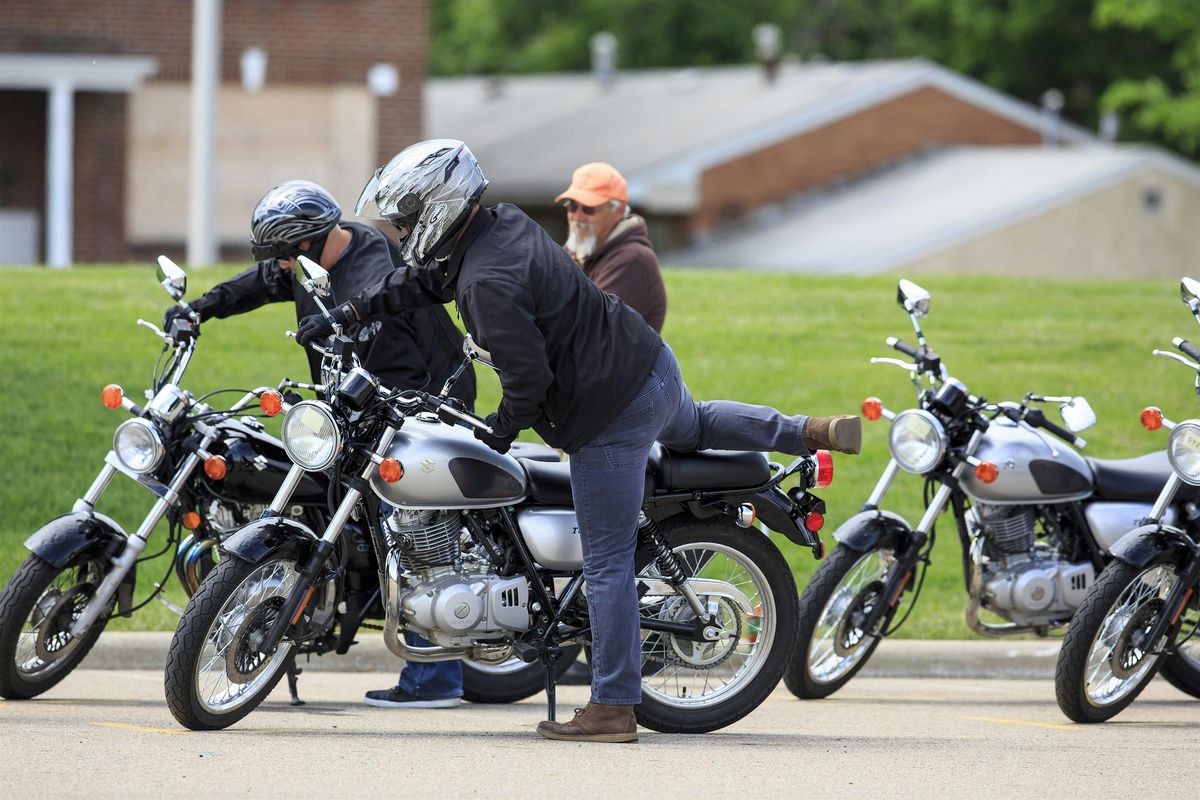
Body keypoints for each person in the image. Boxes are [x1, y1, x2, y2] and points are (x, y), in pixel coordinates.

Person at [296, 140, 861, 743]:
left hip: (607, 415)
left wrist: (498, 429)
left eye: (408, 218)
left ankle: (614, 707)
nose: (402, 229)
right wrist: (352, 313)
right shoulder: (500, 225)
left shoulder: (487, 281)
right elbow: (424, 281)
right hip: (649, 366)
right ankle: (804, 431)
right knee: (692, 424)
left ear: (439, 208)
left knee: (608, 562)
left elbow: (529, 379)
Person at [164, 179, 474, 710]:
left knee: (404, 527)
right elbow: (259, 283)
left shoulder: (374, 271)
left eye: (284, 255)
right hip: (359, 406)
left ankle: (436, 679)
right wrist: (200, 308)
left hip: (423, 401)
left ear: (309, 243)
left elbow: (399, 364)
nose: (279, 267)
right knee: (337, 507)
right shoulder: (308, 262)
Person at [556, 162, 667, 333]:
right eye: (572, 206)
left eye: (589, 209)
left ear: (618, 210)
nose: (578, 217)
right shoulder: (578, 250)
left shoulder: (632, 260)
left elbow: (587, 329)